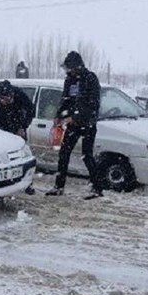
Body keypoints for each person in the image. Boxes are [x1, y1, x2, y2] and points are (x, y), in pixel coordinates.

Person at [45, 51, 102, 199]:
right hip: (72, 124)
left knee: (87, 156)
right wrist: (59, 116)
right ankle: (59, 186)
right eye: (66, 68)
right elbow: (65, 100)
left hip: (87, 123)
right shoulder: (69, 81)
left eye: (70, 68)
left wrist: (76, 116)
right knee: (64, 153)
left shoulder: (90, 79)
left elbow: (93, 104)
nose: (68, 71)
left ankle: (97, 188)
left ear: (77, 66)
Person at [0, 80, 36, 194]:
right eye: (4, 100)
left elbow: (31, 110)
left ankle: (27, 183)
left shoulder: (19, 94)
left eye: (9, 99)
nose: (7, 102)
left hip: (17, 125)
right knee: (1, 157)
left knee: (22, 156)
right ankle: (0, 182)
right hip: (0, 127)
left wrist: (23, 127)